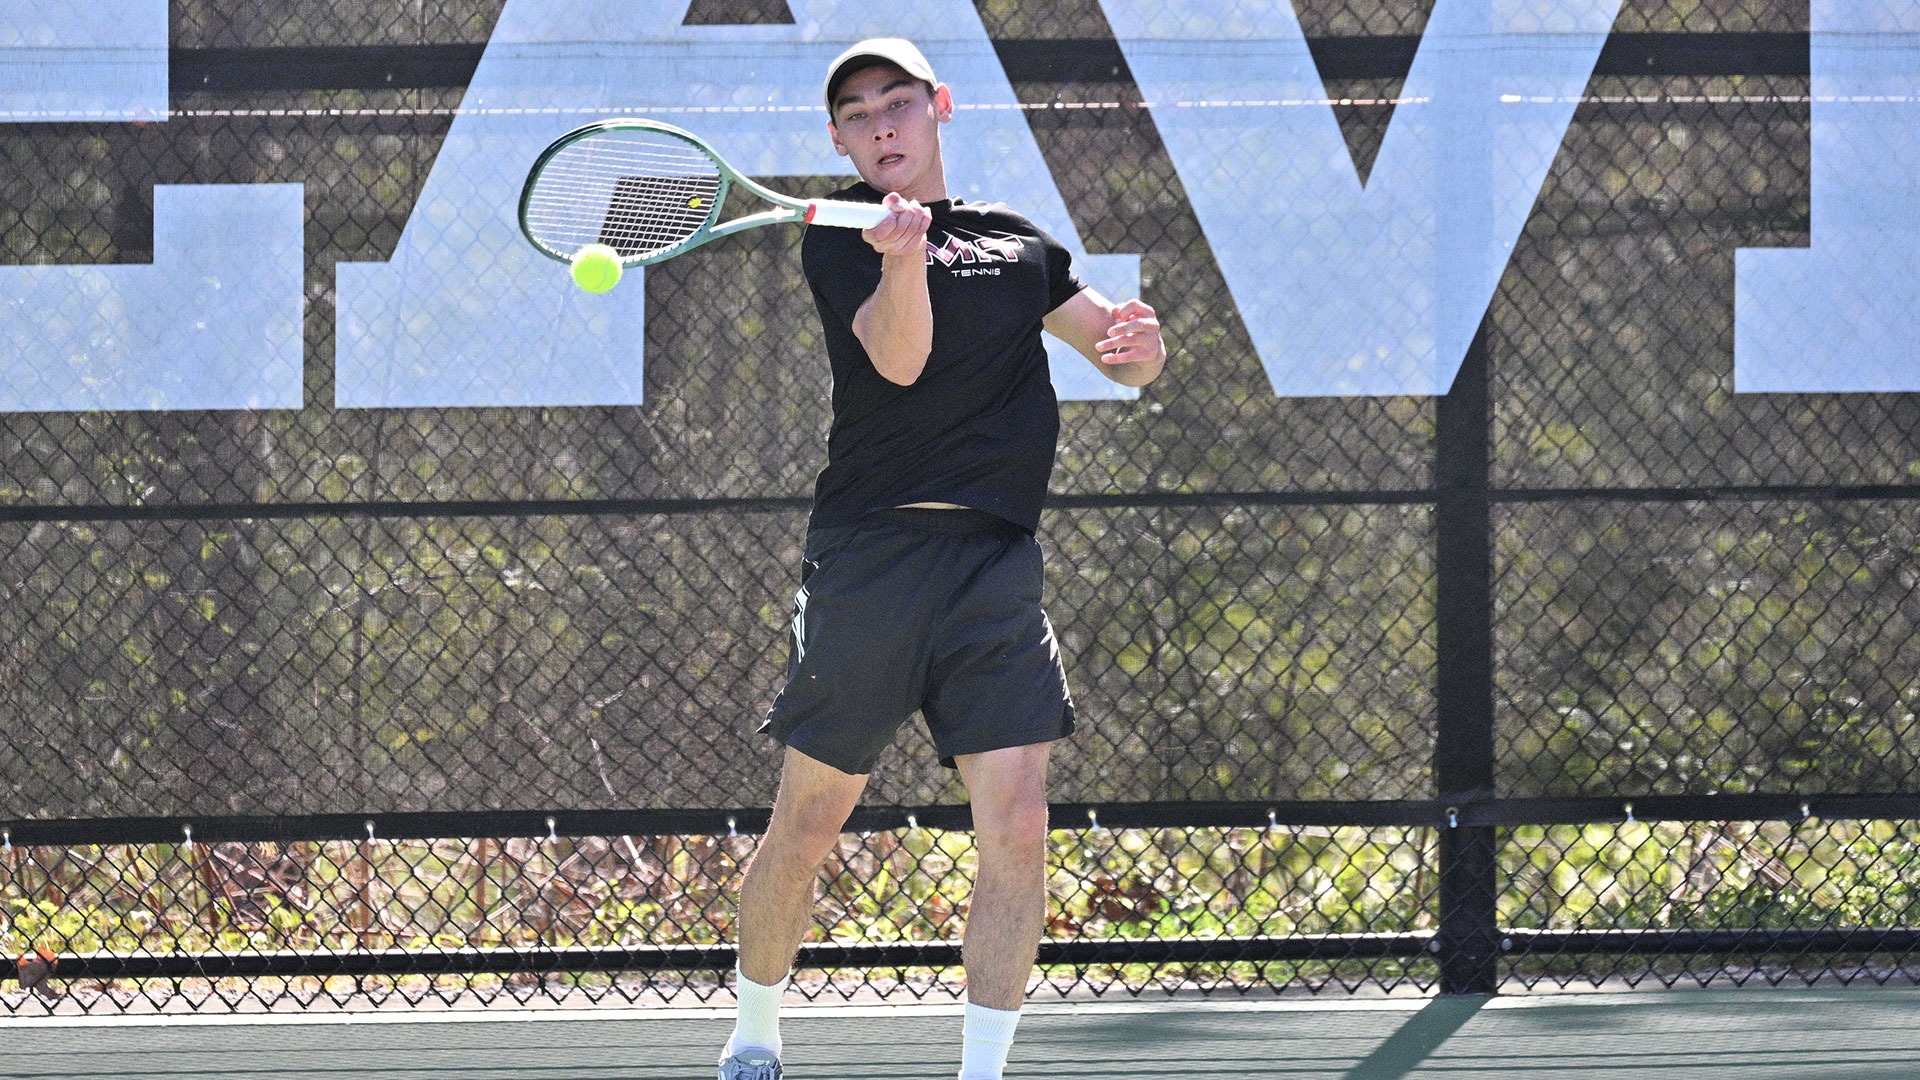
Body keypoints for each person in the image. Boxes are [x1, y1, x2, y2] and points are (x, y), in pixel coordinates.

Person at [718, 37, 1167, 1080]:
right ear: (838, 138)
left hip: (996, 567)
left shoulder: (1021, 245)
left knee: (1017, 821)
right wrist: (901, 254)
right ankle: (754, 1033)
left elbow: (1122, 350)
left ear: (938, 110)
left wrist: (1142, 352)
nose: (882, 124)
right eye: (858, 112)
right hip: (873, 557)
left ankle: (982, 1071)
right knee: (812, 817)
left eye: (898, 103)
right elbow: (901, 359)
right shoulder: (839, 237)